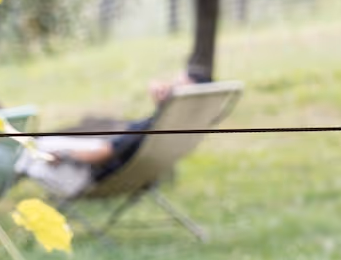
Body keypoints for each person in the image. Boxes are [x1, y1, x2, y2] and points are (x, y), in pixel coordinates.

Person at [35, 62, 211, 177]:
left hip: (96, 171)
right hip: (126, 164)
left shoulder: (150, 127)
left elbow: (103, 154)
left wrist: (64, 155)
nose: (170, 88)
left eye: (177, 86)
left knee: (36, 147)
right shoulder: (179, 125)